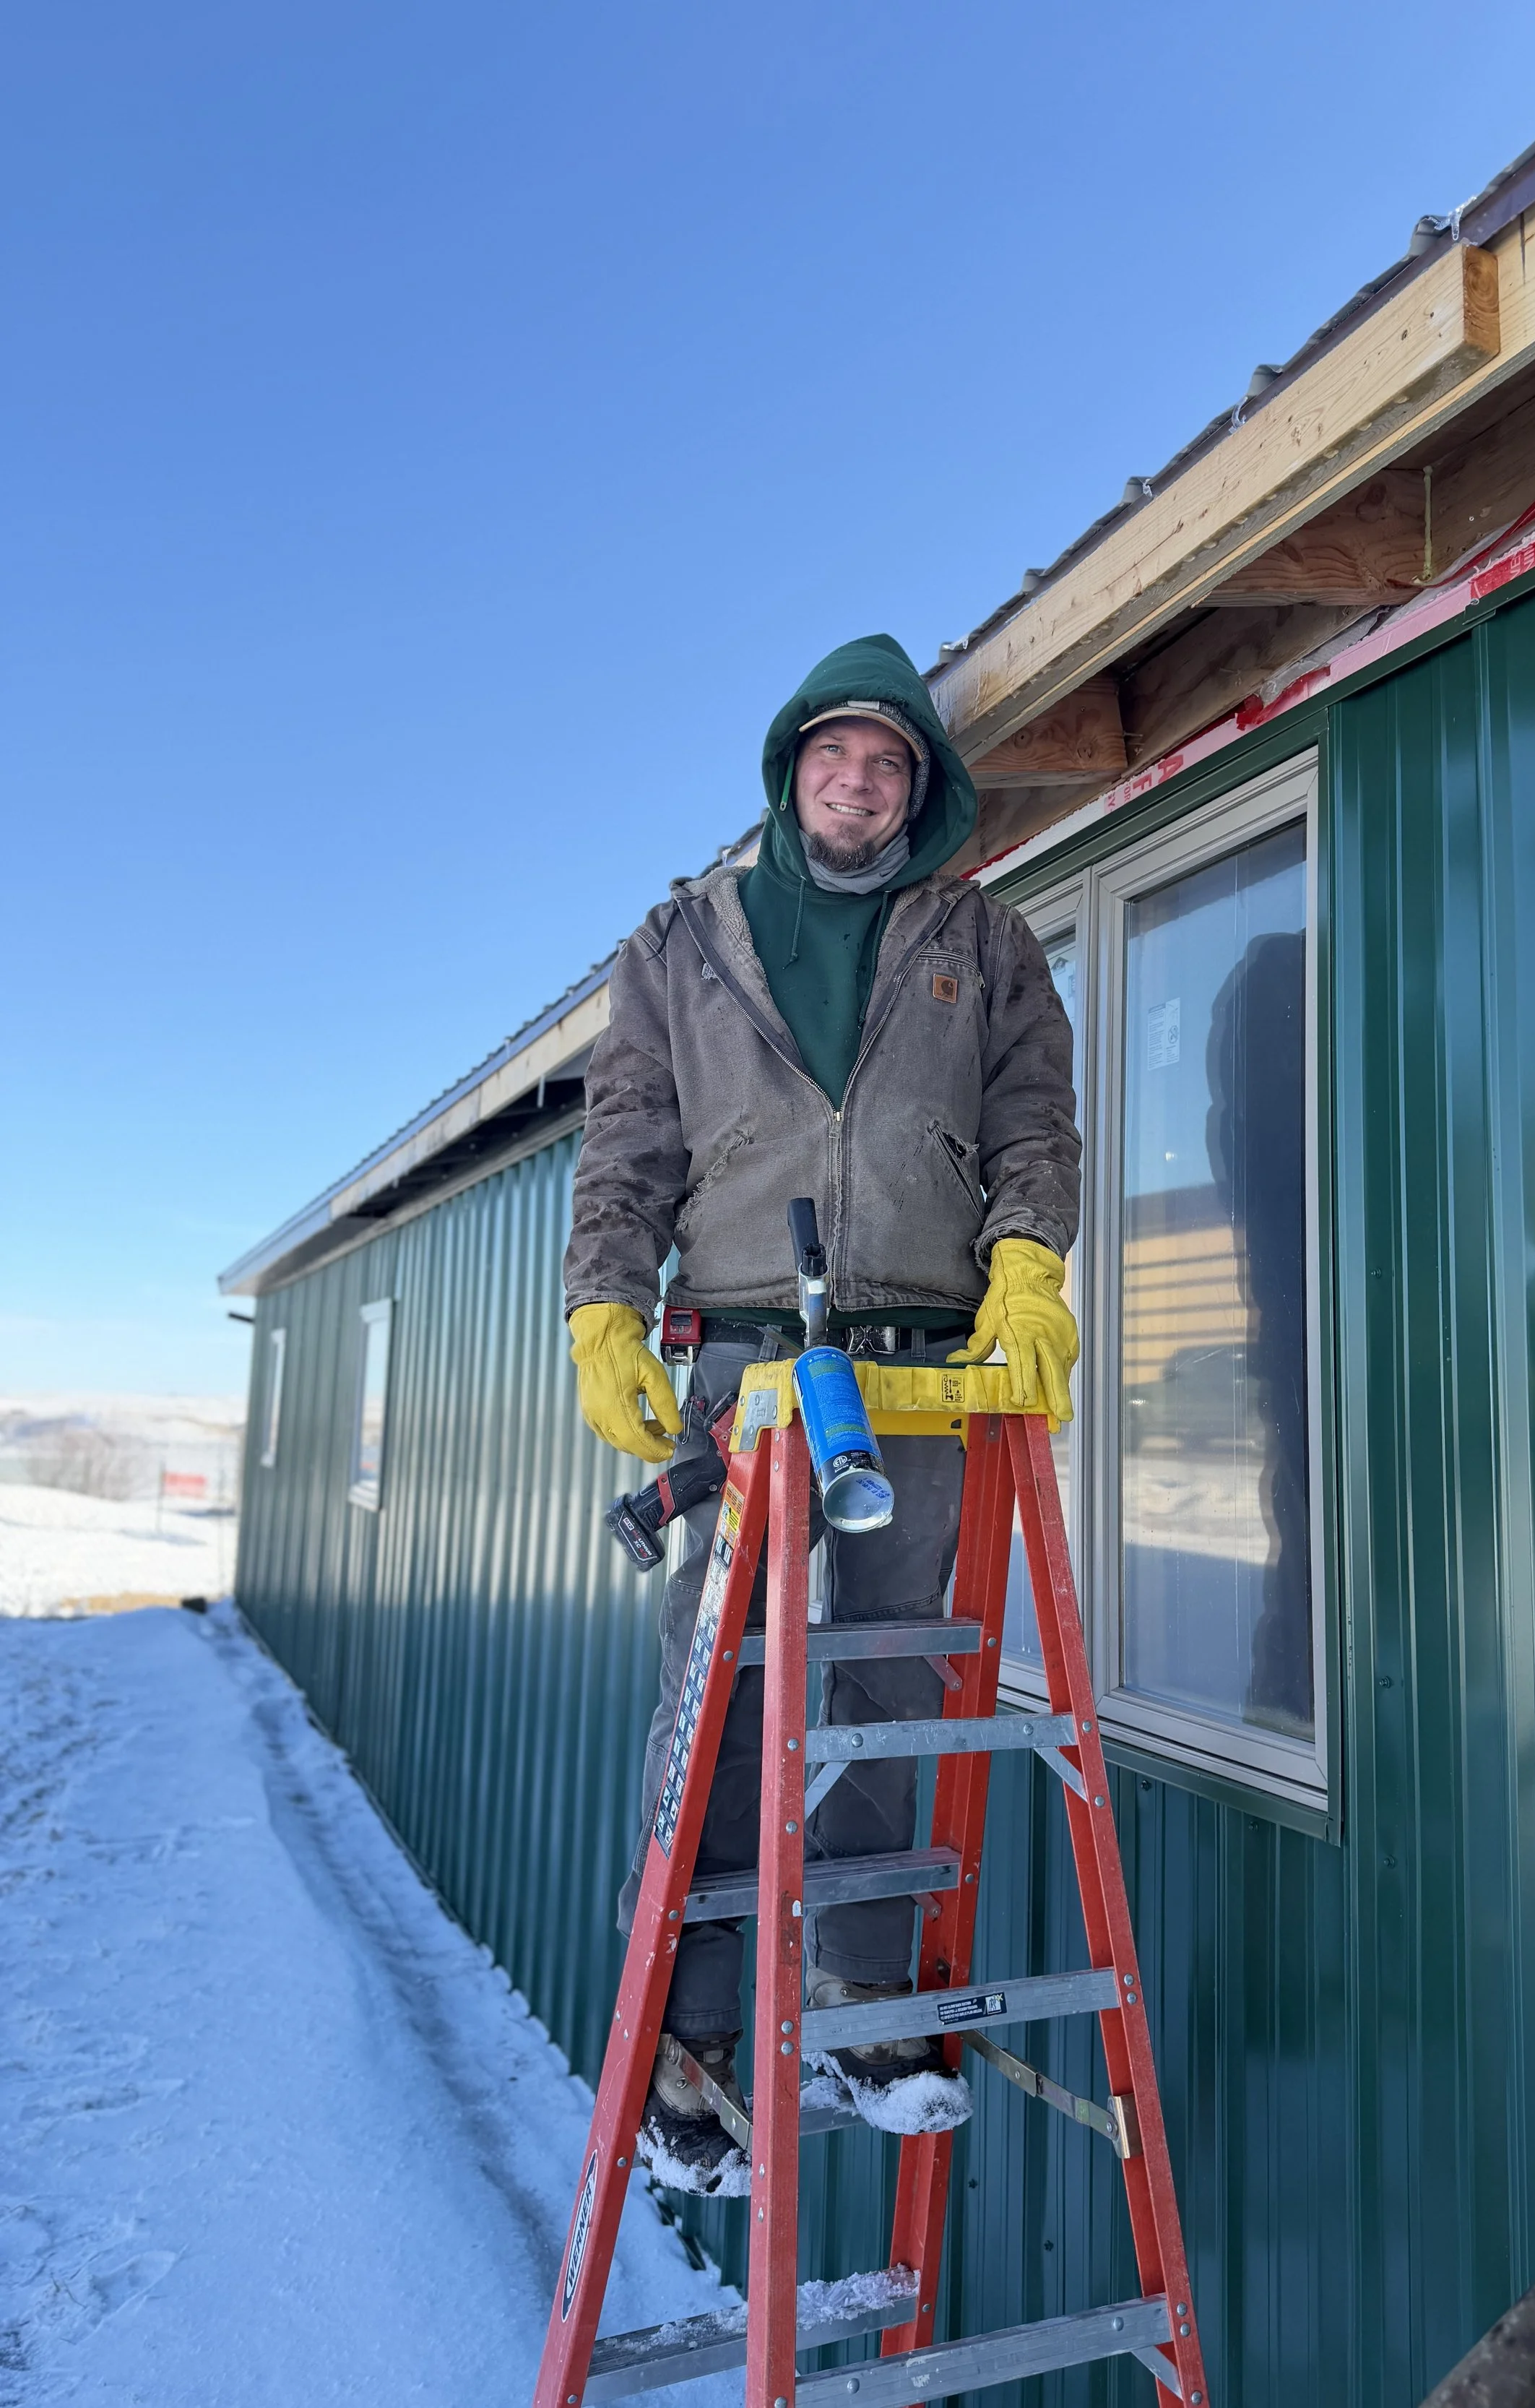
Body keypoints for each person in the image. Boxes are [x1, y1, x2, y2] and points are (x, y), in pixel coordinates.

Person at [562, 632, 1081, 2191]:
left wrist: (1030, 1272)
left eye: (887, 765)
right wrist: (604, 1294)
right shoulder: (683, 940)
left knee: (882, 1674)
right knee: (721, 1700)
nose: (856, 786)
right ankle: (691, 2039)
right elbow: (628, 1141)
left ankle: (860, 2001)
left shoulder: (978, 939)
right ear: (790, 774)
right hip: (742, 1371)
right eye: (831, 759)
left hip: (920, 1365)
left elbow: (1031, 1121)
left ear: (917, 792)